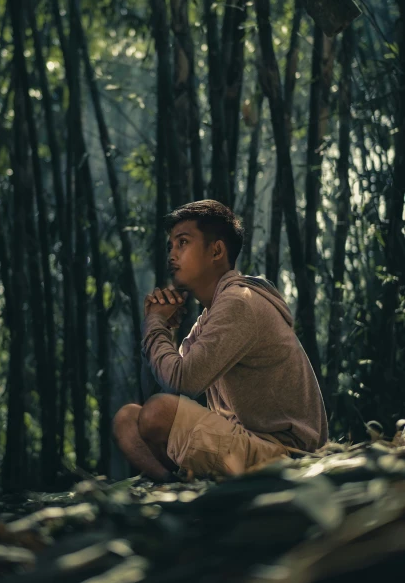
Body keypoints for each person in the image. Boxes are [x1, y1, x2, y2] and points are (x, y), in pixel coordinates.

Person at [112, 199, 328, 481]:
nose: (172, 255)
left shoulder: (240, 302)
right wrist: (164, 331)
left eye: (183, 243)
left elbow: (181, 382)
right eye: (171, 246)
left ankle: (182, 487)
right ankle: (172, 484)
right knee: (127, 419)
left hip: (286, 454)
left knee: (156, 413)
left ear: (216, 251)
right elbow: (164, 387)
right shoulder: (210, 316)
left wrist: (153, 323)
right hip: (242, 444)